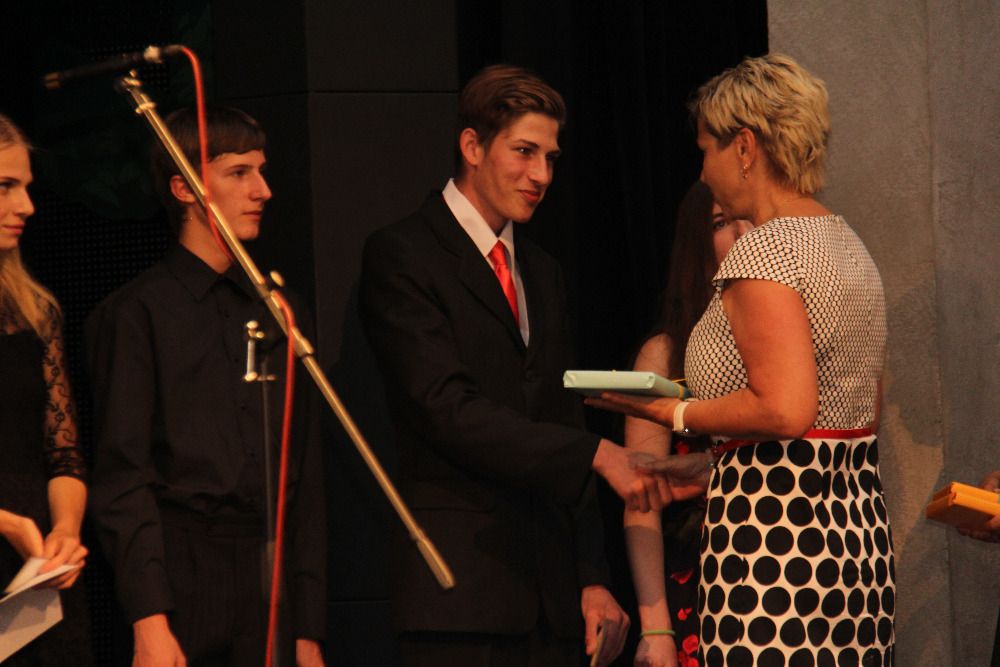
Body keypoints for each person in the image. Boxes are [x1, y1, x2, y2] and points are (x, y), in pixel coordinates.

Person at [588, 54, 894, 666]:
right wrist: (710, 463)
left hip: (772, 552)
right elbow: (850, 411)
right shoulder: (845, 241)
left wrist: (676, 413)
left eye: (707, 149)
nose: (703, 170)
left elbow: (784, 410)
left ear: (746, 147)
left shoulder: (765, 253)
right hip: (853, 543)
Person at [358, 64, 666, 667]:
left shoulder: (542, 272)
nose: (541, 175)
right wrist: (597, 455)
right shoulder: (403, 254)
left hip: (553, 607)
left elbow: (561, 418)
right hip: (460, 594)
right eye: (524, 151)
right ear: (472, 146)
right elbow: (444, 409)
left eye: (550, 157)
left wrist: (591, 576)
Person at [86, 107, 326, 666]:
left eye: (261, 171)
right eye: (239, 173)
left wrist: (309, 629)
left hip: (271, 579)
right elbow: (123, 477)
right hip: (183, 577)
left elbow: (307, 477)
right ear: (184, 188)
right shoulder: (136, 314)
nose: (263, 190)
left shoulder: (282, 310)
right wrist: (149, 617)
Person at [625, 182, 750, 667]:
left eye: (745, 218)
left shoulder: (786, 339)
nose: (740, 233)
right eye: (720, 223)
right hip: (700, 574)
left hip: (787, 558)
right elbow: (641, 497)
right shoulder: (665, 352)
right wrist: (655, 627)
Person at [0, 114, 91, 664]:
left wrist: (66, 531)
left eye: (26, 187)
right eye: (5, 186)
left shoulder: (35, 312)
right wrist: (5, 523)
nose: (27, 206)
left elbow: (64, 453)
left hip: (35, 574)